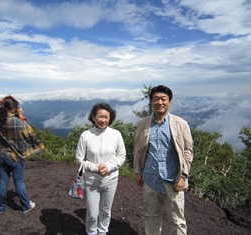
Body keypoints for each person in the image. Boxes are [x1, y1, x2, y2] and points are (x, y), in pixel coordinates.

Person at [133, 85, 194, 235]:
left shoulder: (180, 124)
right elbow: (138, 150)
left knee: (177, 221)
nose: (159, 102)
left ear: (170, 101)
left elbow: (187, 151)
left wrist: (183, 176)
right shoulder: (143, 124)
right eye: (156, 99)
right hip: (151, 179)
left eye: (163, 99)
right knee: (151, 217)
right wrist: (137, 172)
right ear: (151, 102)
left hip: (173, 180)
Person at [75, 102, 126, 235]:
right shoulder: (86, 135)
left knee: (105, 211)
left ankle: (102, 232)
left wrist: (108, 167)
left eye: (106, 117)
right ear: (93, 117)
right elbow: (79, 158)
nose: (103, 120)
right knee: (92, 214)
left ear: (110, 118)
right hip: (92, 181)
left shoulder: (116, 134)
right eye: (100, 116)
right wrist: (95, 167)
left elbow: (121, 156)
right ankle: (91, 233)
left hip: (111, 180)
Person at [0, 95, 45, 214]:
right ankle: (25, 206)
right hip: (15, 156)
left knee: (2, 182)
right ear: (14, 108)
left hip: (0, 154)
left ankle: (0, 207)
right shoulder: (18, 122)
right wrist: (20, 115)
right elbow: (31, 136)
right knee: (19, 183)